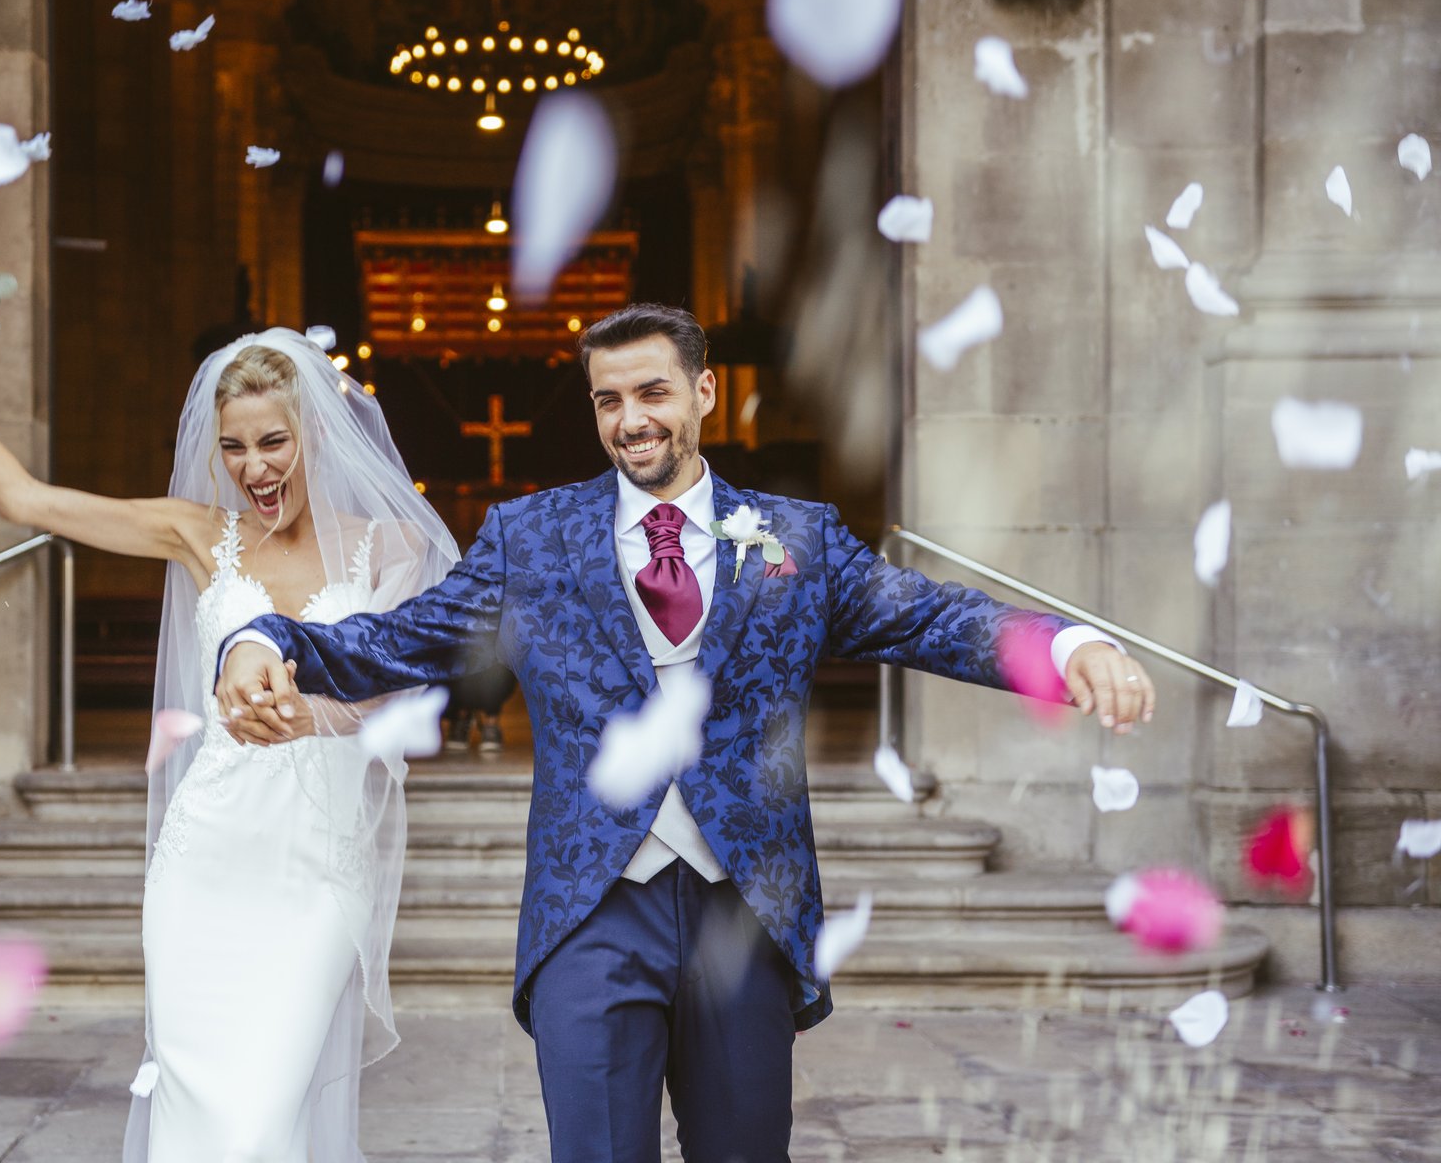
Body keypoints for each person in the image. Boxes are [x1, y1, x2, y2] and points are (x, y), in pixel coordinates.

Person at [216, 304, 1155, 1162]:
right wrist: (262, 637)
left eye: (654, 391)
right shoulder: (529, 538)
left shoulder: (799, 538)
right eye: (609, 399)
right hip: (591, 910)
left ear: (704, 391)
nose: (632, 420)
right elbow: (399, 639)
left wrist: (1060, 645)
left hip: (743, 911)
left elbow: (928, 616)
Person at [0, 327, 458, 1163]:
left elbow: (395, 703)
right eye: (234, 447)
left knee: (263, 1110)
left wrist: (311, 714)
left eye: (274, 442)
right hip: (206, 861)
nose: (253, 467)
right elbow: (25, 500)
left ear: (319, 434)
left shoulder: (396, 548)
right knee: (199, 1109)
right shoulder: (199, 536)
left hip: (314, 874)